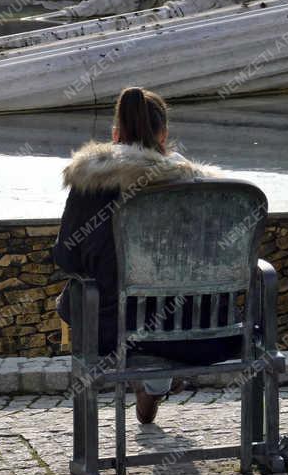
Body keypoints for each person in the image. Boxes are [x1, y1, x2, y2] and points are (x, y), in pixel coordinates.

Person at [53, 86, 238, 424]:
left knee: (72, 301)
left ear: (114, 137)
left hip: (115, 328)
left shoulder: (90, 183)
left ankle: (151, 382)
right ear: (164, 135)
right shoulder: (201, 186)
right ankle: (156, 382)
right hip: (204, 332)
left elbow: (67, 258)